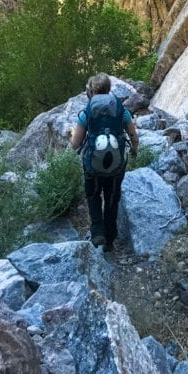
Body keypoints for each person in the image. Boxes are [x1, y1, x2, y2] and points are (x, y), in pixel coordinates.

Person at [70, 73, 139, 252]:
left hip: (92, 164)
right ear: (109, 89)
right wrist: (134, 150)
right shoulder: (119, 109)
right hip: (116, 165)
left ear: (91, 91)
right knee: (112, 198)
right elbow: (133, 135)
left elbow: (75, 144)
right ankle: (110, 238)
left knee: (93, 196)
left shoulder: (86, 113)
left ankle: (97, 233)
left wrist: (73, 135)